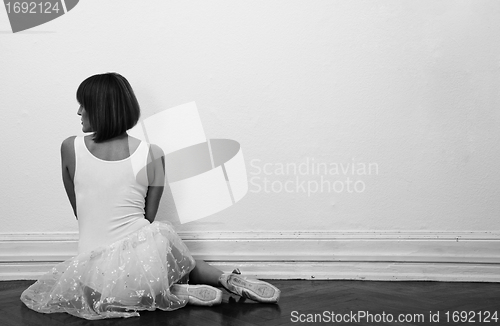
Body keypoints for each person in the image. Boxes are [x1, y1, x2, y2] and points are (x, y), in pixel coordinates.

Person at [20, 72, 280, 320]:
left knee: (100, 292)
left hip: (95, 277)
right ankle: (225, 279)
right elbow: (148, 217)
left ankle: (171, 294)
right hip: (148, 259)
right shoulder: (152, 153)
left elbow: (81, 212)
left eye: (83, 104)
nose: (79, 112)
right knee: (177, 256)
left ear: (100, 108)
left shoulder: (70, 148)